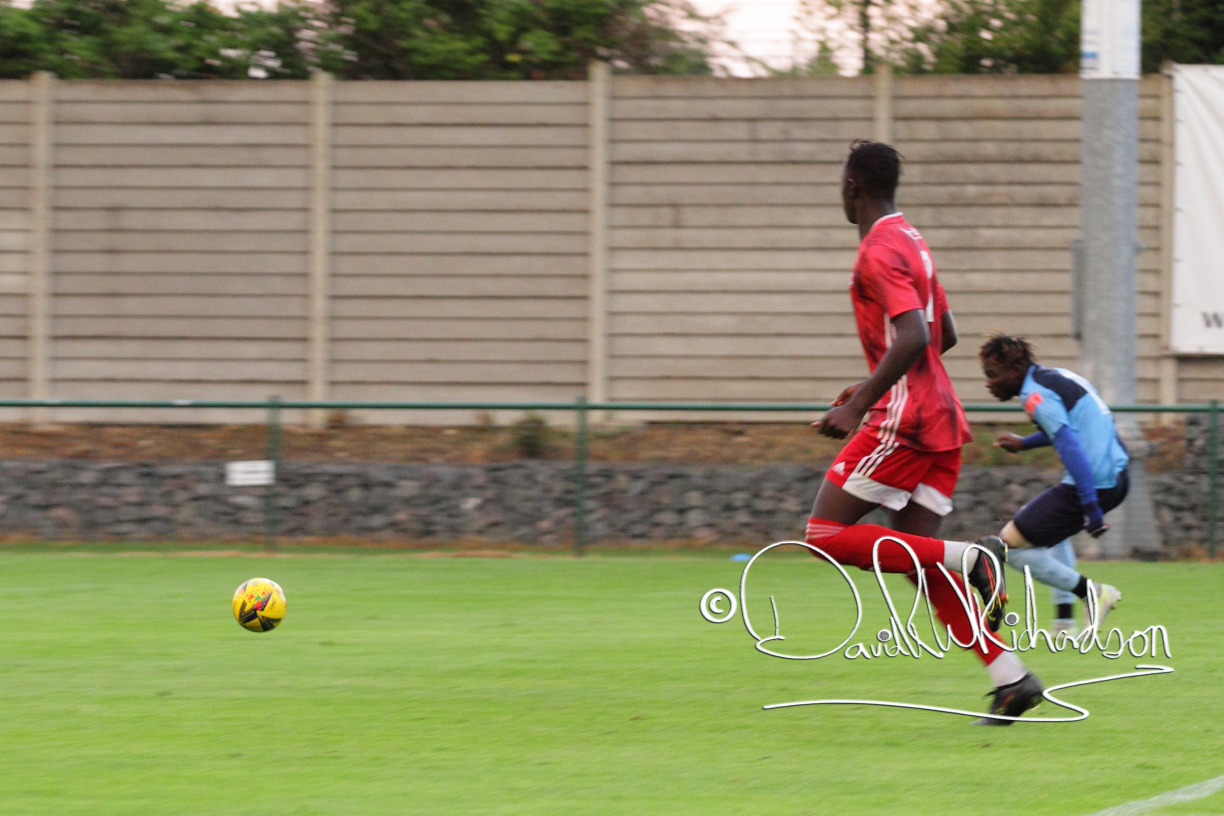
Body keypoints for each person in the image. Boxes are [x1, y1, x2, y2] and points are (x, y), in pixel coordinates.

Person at [804, 140, 1042, 725]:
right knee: (919, 561)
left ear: (853, 188)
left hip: (906, 424)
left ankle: (974, 556)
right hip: (942, 420)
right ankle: (1012, 680)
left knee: (823, 534)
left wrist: (863, 403)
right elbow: (944, 333)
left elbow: (913, 336)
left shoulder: (877, 250)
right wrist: (870, 386)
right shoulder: (912, 239)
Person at [980, 334, 1126, 635]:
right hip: (1117, 474)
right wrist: (1024, 443)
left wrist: (1091, 507)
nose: (989, 384)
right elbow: (1068, 428)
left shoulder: (1035, 396)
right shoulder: (1055, 377)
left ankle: (1092, 594)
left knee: (1009, 546)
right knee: (1048, 533)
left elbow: (1070, 446)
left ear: (1015, 370)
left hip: (1095, 482)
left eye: (992, 375)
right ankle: (1063, 623)